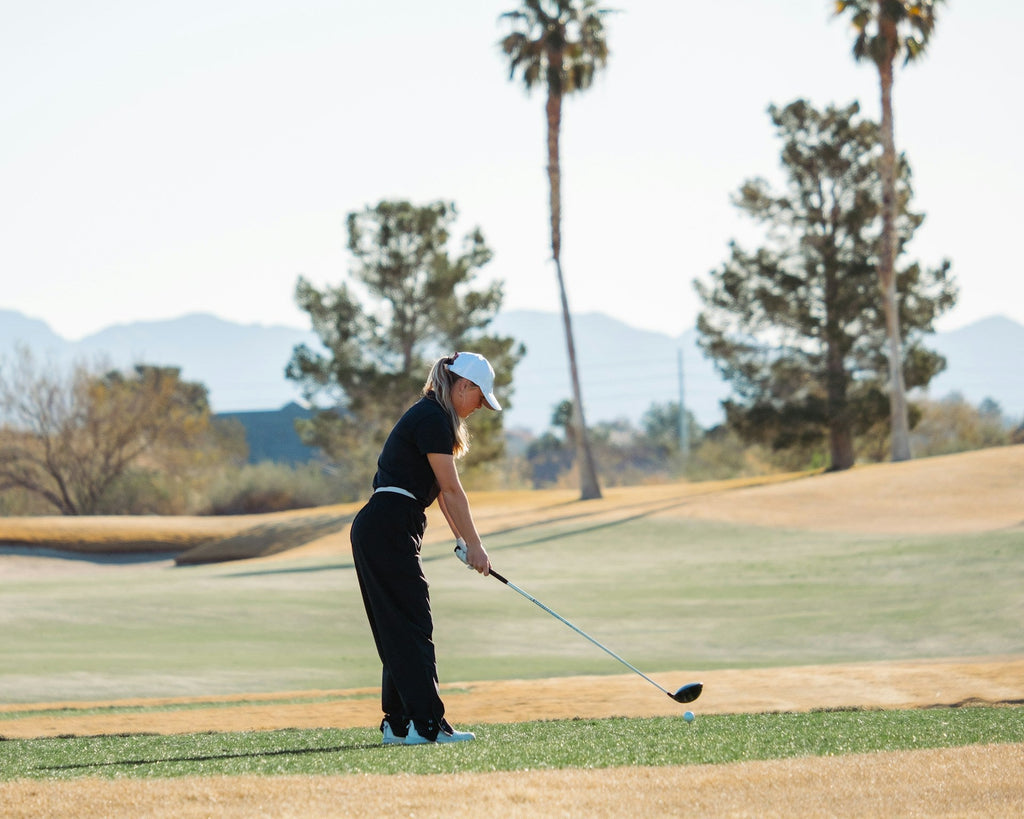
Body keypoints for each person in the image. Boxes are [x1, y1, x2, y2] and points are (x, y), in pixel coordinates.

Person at [349, 351, 499, 745]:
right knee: (412, 625)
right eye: (480, 397)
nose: (479, 407)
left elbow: (444, 498)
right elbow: (452, 490)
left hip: (382, 525)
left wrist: (462, 541)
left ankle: (399, 725)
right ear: (462, 386)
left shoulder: (430, 414)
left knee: (398, 627)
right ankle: (427, 726)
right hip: (389, 525)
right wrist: (477, 546)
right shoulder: (433, 417)